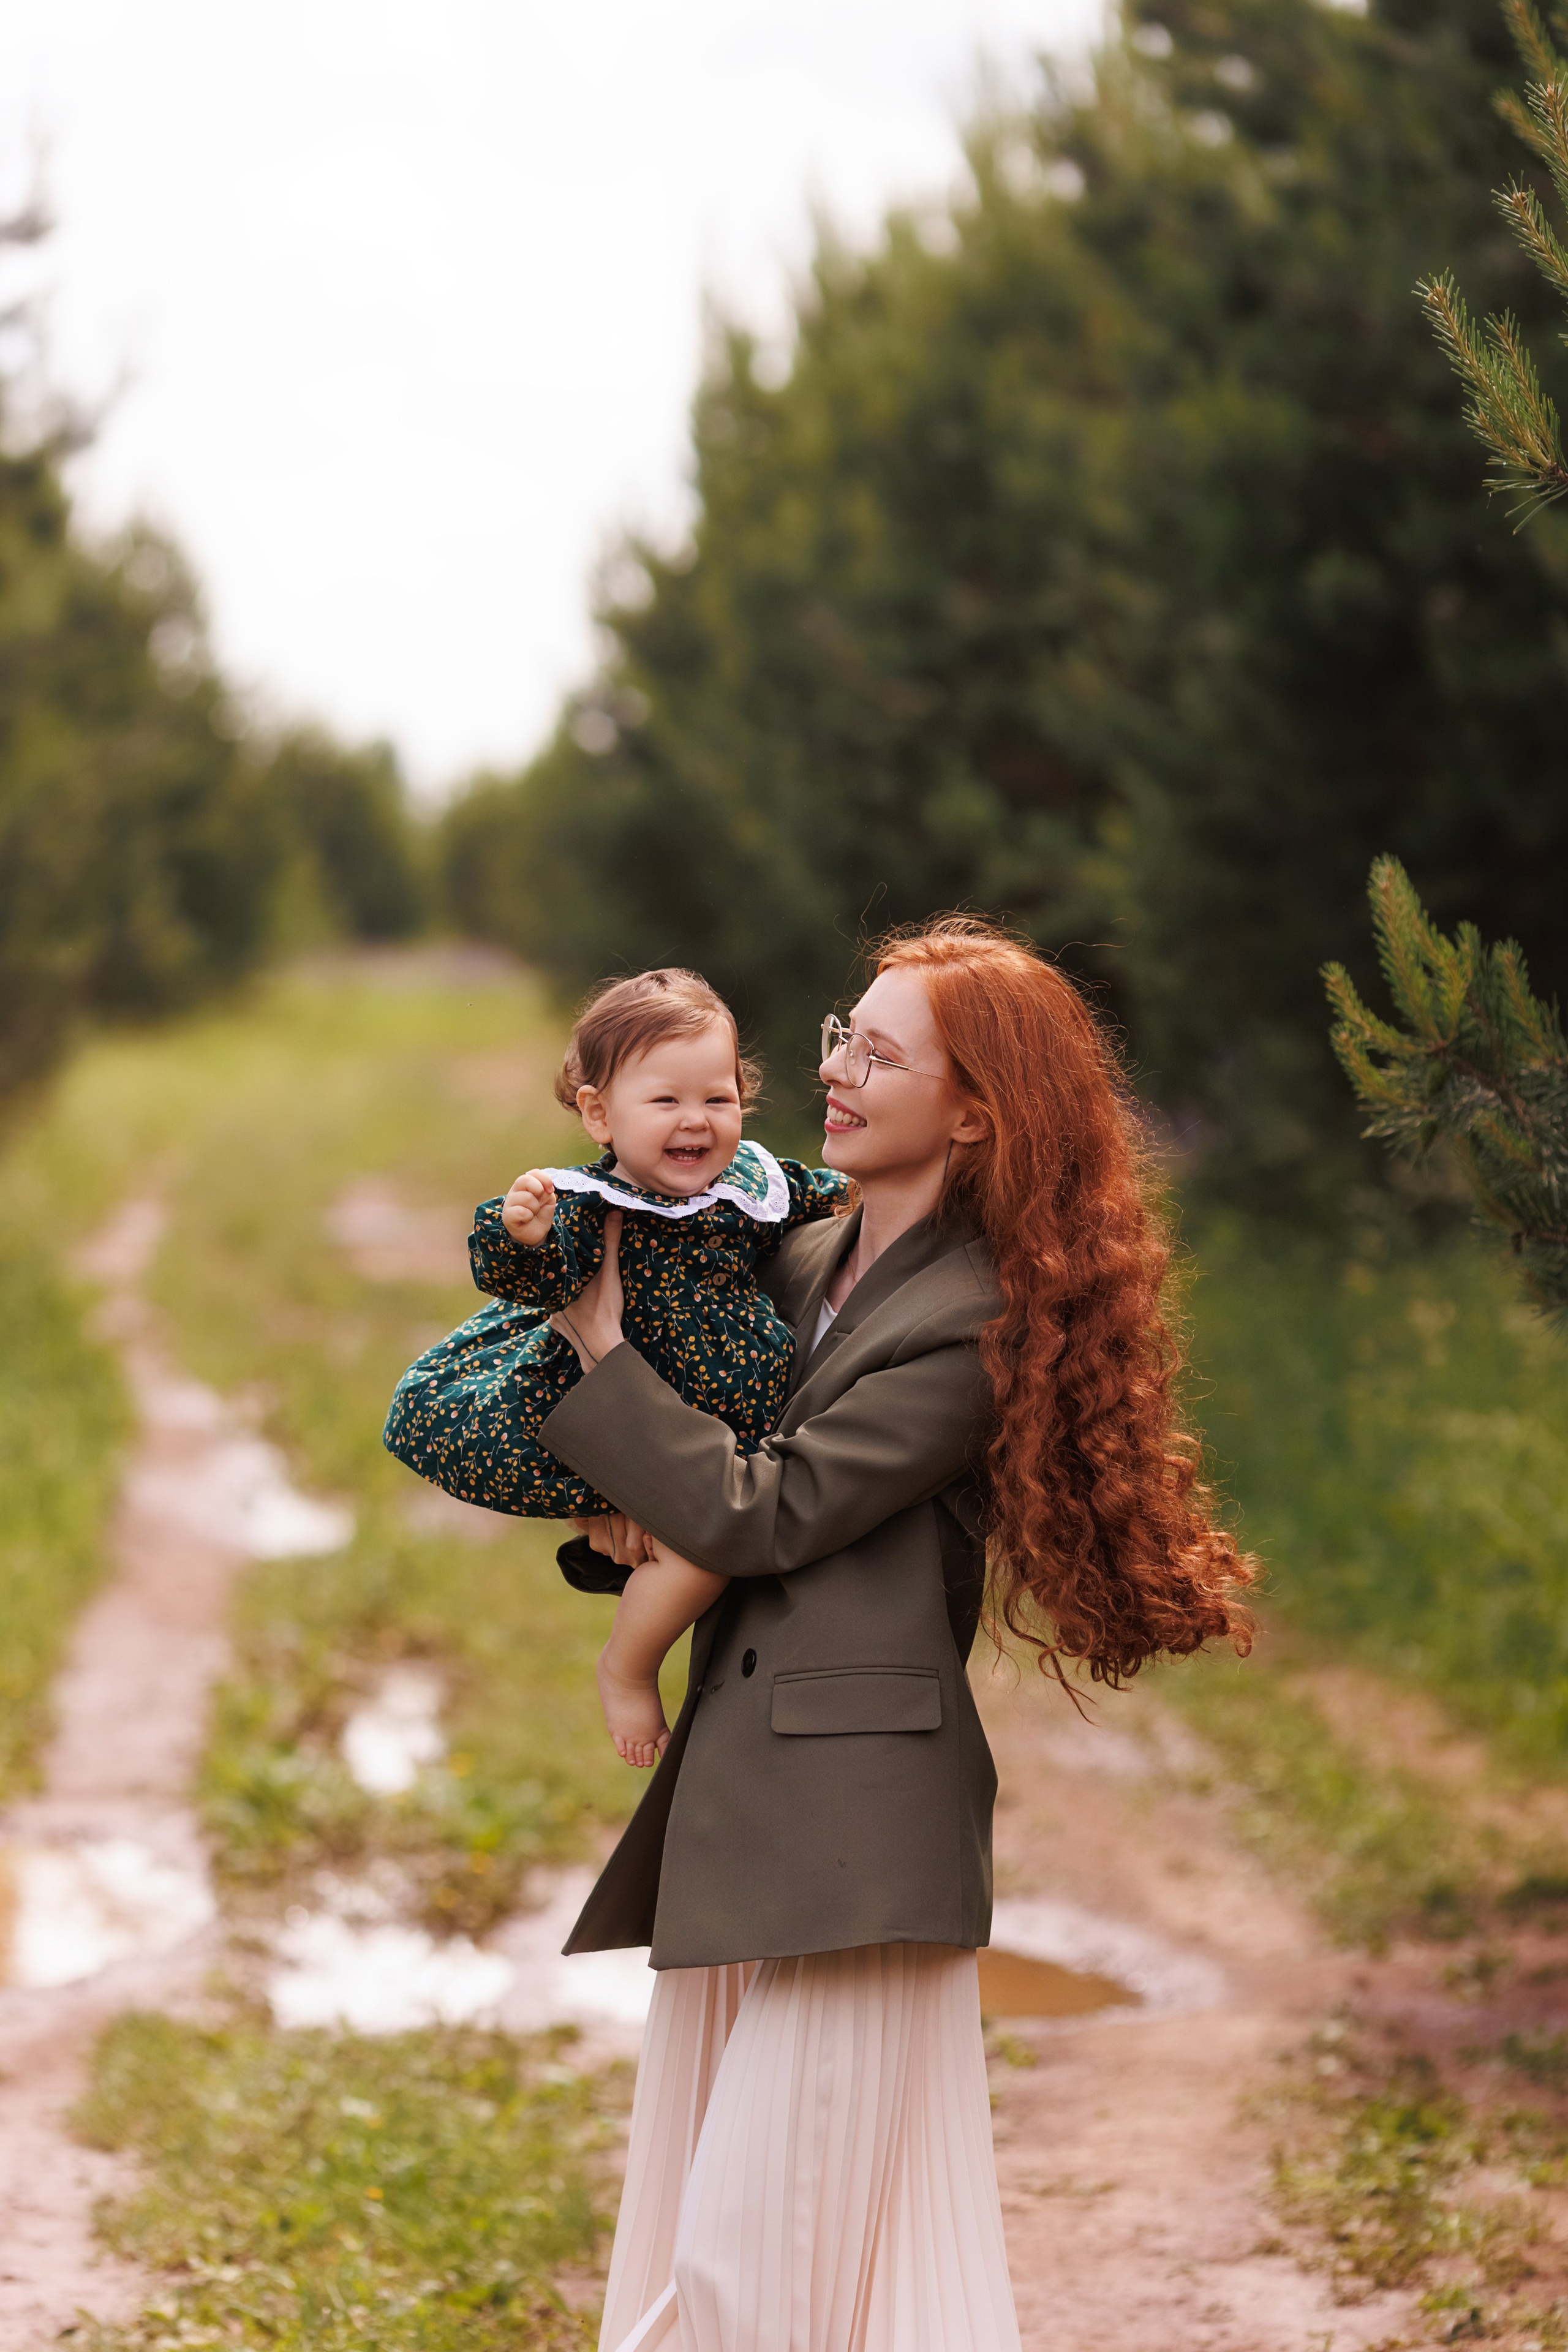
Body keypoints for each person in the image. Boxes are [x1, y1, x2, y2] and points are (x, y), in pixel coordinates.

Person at [526, 914, 1255, 2352]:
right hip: (746, 1818)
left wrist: (603, 1354)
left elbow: (768, 1512)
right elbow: (707, 1478)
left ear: (974, 1110)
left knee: (754, 2266)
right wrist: (629, 1514)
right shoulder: (795, 1254)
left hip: (860, 1838)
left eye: (879, 1051)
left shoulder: (973, 1321)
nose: (836, 1070)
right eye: (835, 1037)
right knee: (712, 2228)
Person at [382, 966, 846, 1761]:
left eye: (719, 1098)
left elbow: (811, 1197)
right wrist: (522, 1234)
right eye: (665, 1101)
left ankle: (622, 1540)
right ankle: (628, 1669)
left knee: (695, 1536)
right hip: (616, 1413)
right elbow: (539, 1285)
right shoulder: (596, 1210)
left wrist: (846, 1195)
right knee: (698, 1555)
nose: (695, 1122)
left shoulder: (746, 1183)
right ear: (599, 1113)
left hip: (706, 1435)